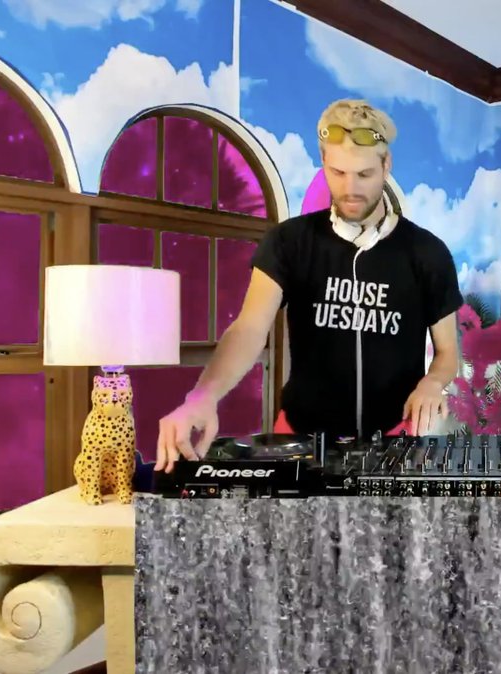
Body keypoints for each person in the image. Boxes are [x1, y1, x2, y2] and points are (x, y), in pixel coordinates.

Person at [155, 99, 463, 472]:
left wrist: (432, 383)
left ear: (386, 165)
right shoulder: (288, 242)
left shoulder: (428, 252)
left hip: (395, 442)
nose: (350, 188)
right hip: (298, 440)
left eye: (365, 174)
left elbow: (448, 353)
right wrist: (203, 395)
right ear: (323, 161)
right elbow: (250, 328)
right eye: (338, 172)